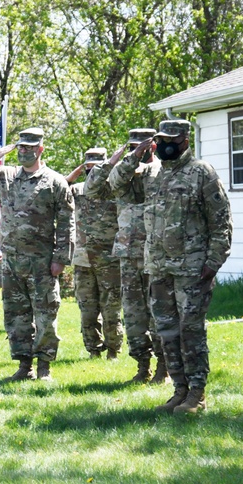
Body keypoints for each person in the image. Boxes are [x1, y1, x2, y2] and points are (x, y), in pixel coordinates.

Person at [110, 120, 232, 414]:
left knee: (191, 331)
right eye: (161, 140)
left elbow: (221, 221)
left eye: (172, 140)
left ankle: (197, 394)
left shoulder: (201, 173)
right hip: (159, 268)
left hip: (192, 268)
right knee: (167, 332)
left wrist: (213, 262)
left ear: (185, 141)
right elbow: (116, 185)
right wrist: (135, 155)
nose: (166, 145)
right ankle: (179, 390)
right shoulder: (151, 174)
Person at [0, 127, 75, 381]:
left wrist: (61, 258)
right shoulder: (6, 176)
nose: (24, 151)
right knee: (17, 315)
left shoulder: (55, 182)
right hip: (12, 260)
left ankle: (44, 367)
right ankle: (24, 366)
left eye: (29, 147)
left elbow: (67, 222)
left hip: (42, 261)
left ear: (40, 149)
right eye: (21, 147)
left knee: (46, 313)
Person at [86, 129, 168, 383]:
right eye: (134, 147)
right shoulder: (123, 174)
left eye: (142, 147)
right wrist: (117, 161)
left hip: (157, 253)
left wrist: (140, 160)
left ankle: (164, 368)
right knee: (133, 314)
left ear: (153, 147)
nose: (139, 152)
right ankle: (143, 367)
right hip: (129, 254)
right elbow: (93, 189)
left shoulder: (162, 171)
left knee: (158, 312)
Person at [66, 148, 123, 359]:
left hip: (110, 259)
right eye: (88, 166)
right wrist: (74, 175)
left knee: (111, 309)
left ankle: (113, 351)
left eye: (97, 166)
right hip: (83, 259)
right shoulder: (78, 190)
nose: (92, 171)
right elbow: (57, 188)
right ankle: (93, 350)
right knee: (87, 310)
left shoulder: (116, 188)